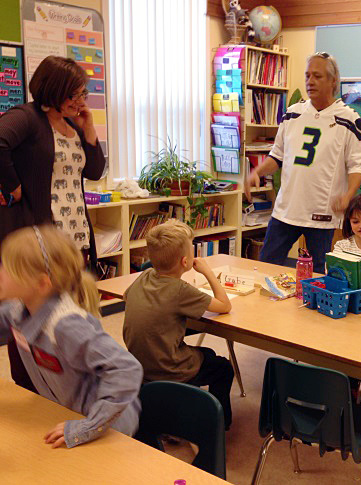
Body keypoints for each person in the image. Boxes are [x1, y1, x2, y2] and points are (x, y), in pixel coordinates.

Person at [0, 55, 106, 394]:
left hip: (74, 233)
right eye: (73, 95)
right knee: (31, 313)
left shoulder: (72, 124)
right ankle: (30, 387)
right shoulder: (27, 117)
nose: (80, 102)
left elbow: (93, 171)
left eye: (83, 94)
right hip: (40, 238)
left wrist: (89, 129)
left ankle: (64, 385)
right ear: (54, 90)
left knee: (69, 314)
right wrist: (11, 185)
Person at [0, 226, 142, 448]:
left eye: (7, 268)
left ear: (41, 283)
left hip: (107, 428)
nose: (1, 272)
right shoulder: (17, 309)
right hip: (65, 415)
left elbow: (127, 369)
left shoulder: (66, 326)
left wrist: (87, 427)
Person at [244, 52, 361, 274]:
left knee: (316, 273)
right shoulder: (292, 114)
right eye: (307, 75)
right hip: (286, 209)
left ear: (333, 81)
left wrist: (347, 196)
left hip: (322, 213)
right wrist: (257, 172)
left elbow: (357, 166)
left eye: (317, 76)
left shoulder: (349, 119)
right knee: (265, 266)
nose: (310, 81)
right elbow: (277, 156)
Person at [122, 219, 234, 429]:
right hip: (167, 368)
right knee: (223, 368)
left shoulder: (145, 275)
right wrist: (208, 271)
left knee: (204, 352)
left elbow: (130, 298)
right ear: (185, 261)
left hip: (140, 364)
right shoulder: (181, 290)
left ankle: (179, 405)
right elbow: (224, 305)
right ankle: (219, 425)